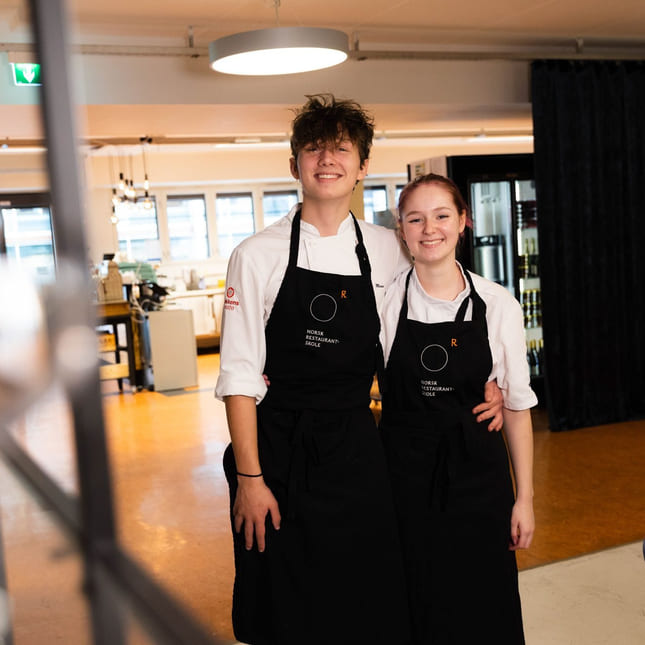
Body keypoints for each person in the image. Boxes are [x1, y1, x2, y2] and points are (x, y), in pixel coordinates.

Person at [214, 95, 503, 645]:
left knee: (367, 592)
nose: (327, 160)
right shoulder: (256, 255)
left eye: (341, 149)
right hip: (276, 449)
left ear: (363, 165)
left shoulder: (388, 248)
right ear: (294, 162)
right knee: (284, 598)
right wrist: (250, 479)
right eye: (314, 149)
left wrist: (491, 375)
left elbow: (448, 296)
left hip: (356, 447)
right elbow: (239, 375)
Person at [379, 172, 536, 644]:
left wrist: (524, 498)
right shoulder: (383, 301)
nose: (430, 229)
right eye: (416, 218)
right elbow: (343, 369)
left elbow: (517, 405)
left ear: (463, 221)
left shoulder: (498, 303)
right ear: (401, 230)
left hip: (477, 478)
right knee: (417, 602)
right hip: (403, 479)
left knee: (485, 602)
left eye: (442, 215)